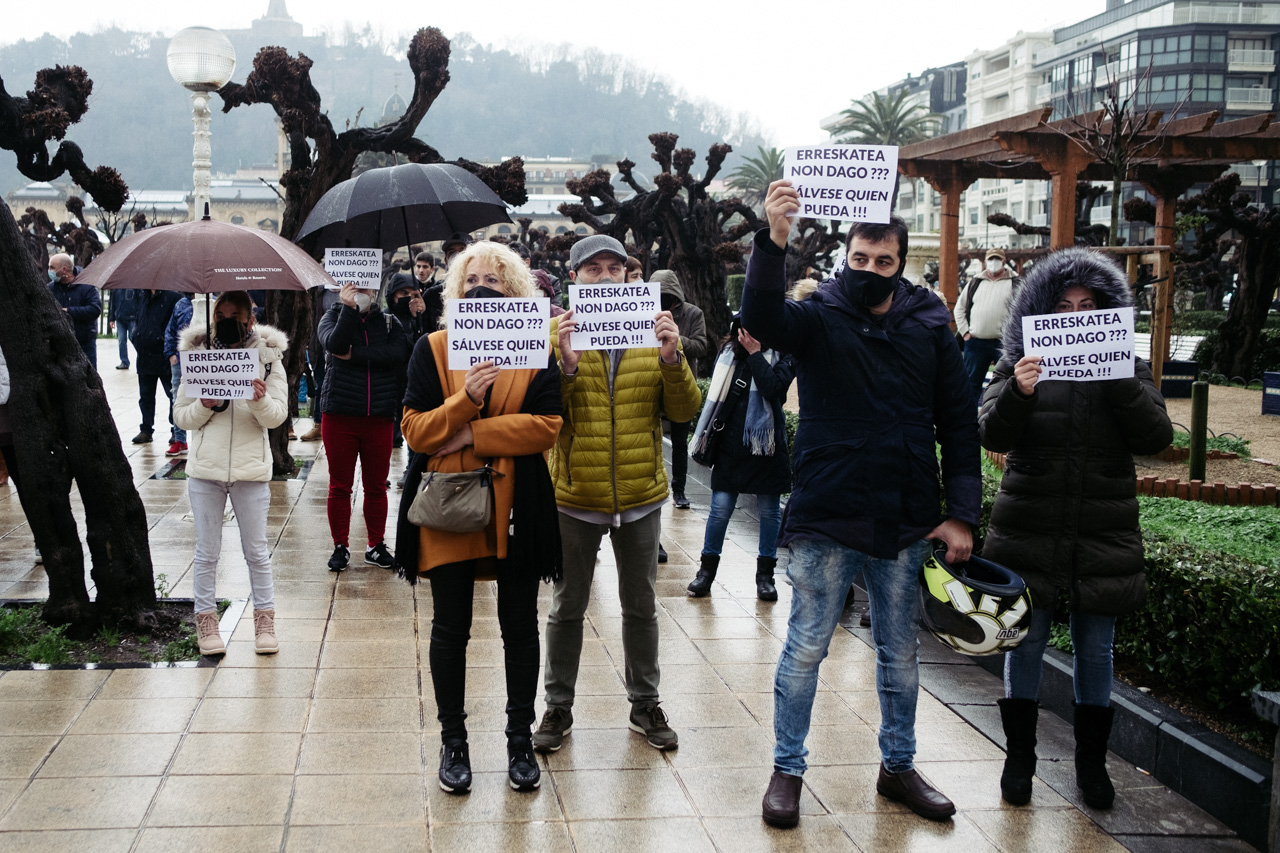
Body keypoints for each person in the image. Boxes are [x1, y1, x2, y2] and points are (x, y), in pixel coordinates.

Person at [743, 181, 980, 828]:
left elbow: (959, 422)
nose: (870, 269)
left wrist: (961, 512)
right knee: (805, 648)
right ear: (845, 256)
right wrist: (774, 239)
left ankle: (898, 765)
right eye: (860, 258)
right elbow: (762, 319)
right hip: (829, 510)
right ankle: (787, 769)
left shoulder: (930, 322)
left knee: (900, 653)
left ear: (901, 262)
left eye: (884, 260)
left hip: (905, 513)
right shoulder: (818, 313)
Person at [977, 248, 1172, 810]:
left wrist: (1120, 381)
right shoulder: (1018, 362)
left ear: (1106, 311)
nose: (1077, 316)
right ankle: (1019, 760)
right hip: (1029, 521)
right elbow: (989, 432)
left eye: (1089, 306)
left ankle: (1092, 765)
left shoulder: (1128, 365)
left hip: (1102, 525)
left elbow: (1156, 437)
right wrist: (1019, 391)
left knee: (1096, 649)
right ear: (1043, 311)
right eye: (1064, 306)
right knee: (1025, 643)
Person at [394, 240, 562, 795]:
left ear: (514, 291)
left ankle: (519, 740)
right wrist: (465, 400)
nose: (481, 288)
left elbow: (547, 425)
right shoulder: (433, 348)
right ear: (455, 291)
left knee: (520, 626)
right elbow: (416, 431)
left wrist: (474, 434)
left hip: (518, 507)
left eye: (494, 280)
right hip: (449, 507)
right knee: (450, 627)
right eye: (471, 280)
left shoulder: (535, 350)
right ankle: (454, 741)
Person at [533, 235, 702, 754]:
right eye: (593, 269)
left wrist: (672, 359)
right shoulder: (554, 334)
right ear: (574, 278)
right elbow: (543, 417)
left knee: (641, 605)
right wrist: (564, 366)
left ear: (630, 277)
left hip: (640, 492)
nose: (606, 278)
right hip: (575, 495)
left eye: (615, 268)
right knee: (567, 606)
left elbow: (684, 412)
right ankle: (557, 705)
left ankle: (644, 702)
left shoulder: (654, 332)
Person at [174, 291, 290, 656]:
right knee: (207, 551)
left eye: (234, 316)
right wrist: (204, 405)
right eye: (220, 316)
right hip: (205, 471)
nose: (227, 322)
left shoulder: (268, 359)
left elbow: (277, 417)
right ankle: (206, 622)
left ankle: (265, 622)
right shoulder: (199, 356)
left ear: (250, 319)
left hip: (250, 472)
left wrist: (259, 400)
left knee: (256, 552)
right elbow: (181, 416)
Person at [687, 317, 794, 601]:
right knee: (720, 509)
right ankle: (706, 573)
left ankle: (765, 577)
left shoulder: (785, 354)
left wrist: (756, 355)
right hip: (731, 445)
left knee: (769, 512)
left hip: (766, 446)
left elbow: (773, 389)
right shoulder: (728, 353)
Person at [317, 281, 411, 571]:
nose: (362, 293)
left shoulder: (388, 322)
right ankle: (340, 545)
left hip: (378, 416)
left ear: (375, 291)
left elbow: (398, 354)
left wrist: (356, 355)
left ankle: (375, 545)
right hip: (340, 415)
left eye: (366, 289)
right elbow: (335, 345)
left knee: (376, 486)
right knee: (340, 486)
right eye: (355, 288)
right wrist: (348, 309)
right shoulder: (332, 316)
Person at [652, 269, 710, 509]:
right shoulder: (644, 312)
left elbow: (701, 346)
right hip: (652, 383)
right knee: (648, 439)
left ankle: (679, 490)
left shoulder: (693, 313)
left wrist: (675, 340)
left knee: (679, 443)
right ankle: (652, 486)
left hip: (680, 384)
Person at [956, 248, 1018, 405]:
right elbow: (959, 308)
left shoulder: (1016, 282)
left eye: (997, 259)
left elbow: (1024, 309)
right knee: (970, 384)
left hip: (1003, 343)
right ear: (985, 262)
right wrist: (965, 332)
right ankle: (968, 416)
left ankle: (1001, 413)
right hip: (976, 342)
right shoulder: (975, 282)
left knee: (1007, 383)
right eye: (990, 259)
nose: (993, 262)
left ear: (1004, 261)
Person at [131, 288, 182, 445]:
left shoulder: (173, 297)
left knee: (172, 394)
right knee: (145, 396)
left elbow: (178, 324)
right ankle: (146, 429)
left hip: (165, 355)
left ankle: (176, 430)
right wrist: (136, 336)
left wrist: (168, 345)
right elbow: (138, 318)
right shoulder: (142, 295)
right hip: (144, 355)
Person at [48, 253, 101, 369]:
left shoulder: (87, 285)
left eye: (52, 267)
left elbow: (94, 309)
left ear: (64, 270)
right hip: (60, 345)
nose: (49, 271)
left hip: (85, 342)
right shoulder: (50, 289)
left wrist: (68, 311)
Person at [162, 293, 198, 456]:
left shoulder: (212, 303)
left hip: (202, 359)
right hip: (180, 358)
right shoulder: (180, 304)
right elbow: (171, 330)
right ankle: (180, 440)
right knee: (177, 398)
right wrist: (170, 353)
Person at [107, 287, 140, 370]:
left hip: (132, 318)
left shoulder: (136, 287)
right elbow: (112, 303)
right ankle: (124, 362)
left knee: (134, 339)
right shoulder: (116, 288)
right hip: (120, 318)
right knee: (121, 340)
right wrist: (111, 319)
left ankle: (142, 358)